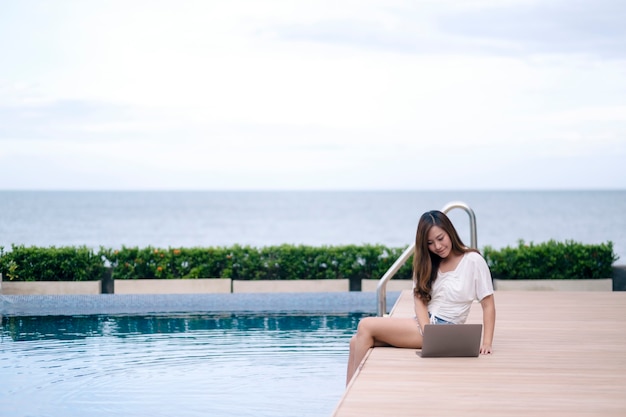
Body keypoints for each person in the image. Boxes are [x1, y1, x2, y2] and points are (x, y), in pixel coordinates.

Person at [346, 210, 496, 385]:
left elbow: (488, 304)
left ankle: (357, 391)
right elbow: (419, 301)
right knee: (354, 341)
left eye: (441, 238)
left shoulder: (473, 260)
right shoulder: (428, 262)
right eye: (430, 243)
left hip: (447, 329)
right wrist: (427, 330)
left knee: (365, 325)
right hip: (426, 326)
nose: (437, 246)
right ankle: (348, 395)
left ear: (450, 232)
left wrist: (487, 342)